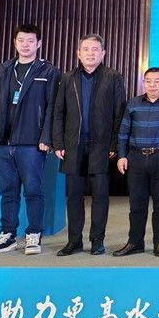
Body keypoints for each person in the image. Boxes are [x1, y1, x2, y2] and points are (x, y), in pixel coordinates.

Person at [0, 23, 61, 255]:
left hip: (32, 141)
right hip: (3, 141)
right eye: (21, 40)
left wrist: (47, 137)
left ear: (39, 44)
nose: (25, 45)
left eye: (31, 41)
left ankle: (34, 234)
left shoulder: (49, 71)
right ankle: (7, 235)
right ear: (15, 43)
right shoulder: (3, 70)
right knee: (7, 190)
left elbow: (53, 108)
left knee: (33, 189)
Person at [52, 34, 126, 256]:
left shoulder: (113, 77)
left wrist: (114, 144)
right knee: (74, 197)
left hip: (101, 146)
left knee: (100, 196)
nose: (90, 53)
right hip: (73, 146)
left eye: (95, 49)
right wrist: (58, 142)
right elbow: (58, 112)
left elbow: (120, 113)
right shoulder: (67, 78)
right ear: (78, 53)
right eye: (86, 49)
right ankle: (74, 241)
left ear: (103, 53)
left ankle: (97, 240)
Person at [113, 67, 159, 257]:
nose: (153, 85)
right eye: (148, 81)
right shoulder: (133, 104)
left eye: (157, 81)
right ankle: (135, 243)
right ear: (143, 82)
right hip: (136, 158)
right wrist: (121, 155)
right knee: (136, 204)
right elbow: (123, 133)